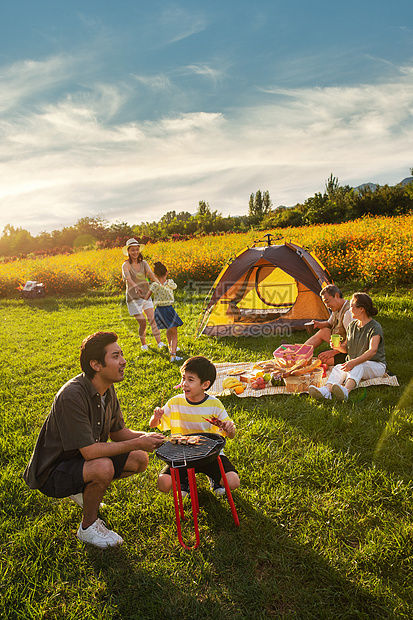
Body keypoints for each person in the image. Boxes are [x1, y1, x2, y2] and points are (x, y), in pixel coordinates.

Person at [23, 331, 165, 548]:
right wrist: (138, 442)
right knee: (102, 467)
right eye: (116, 356)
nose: (123, 361)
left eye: (122, 355)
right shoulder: (72, 395)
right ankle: (88, 528)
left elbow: (118, 433)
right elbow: (90, 452)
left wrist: (155, 438)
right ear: (96, 365)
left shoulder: (107, 388)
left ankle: (84, 489)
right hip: (52, 471)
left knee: (139, 458)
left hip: (80, 460)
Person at [149, 356, 240, 497]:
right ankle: (185, 481)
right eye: (183, 378)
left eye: (190, 380)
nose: (184, 383)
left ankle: (214, 478)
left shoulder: (214, 404)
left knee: (233, 482)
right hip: (181, 455)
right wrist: (157, 417)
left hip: (210, 455)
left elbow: (231, 435)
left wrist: (230, 429)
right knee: (163, 484)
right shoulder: (175, 402)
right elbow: (153, 425)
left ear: (205, 385)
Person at [308, 292, 386, 401]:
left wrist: (354, 362)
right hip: (355, 363)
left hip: (376, 364)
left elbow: (373, 351)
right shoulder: (352, 326)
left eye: (352, 307)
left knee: (359, 366)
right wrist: (338, 347)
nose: (349, 310)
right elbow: (346, 347)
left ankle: (345, 391)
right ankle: (326, 391)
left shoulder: (374, 327)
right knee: (338, 368)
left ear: (361, 309)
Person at [121, 238, 167, 352]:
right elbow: (128, 278)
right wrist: (136, 286)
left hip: (146, 295)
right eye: (133, 250)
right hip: (133, 297)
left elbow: (150, 273)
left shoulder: (144, 263)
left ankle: (160, 343)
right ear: (128, 251)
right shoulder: (125, 265)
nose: (135, 252)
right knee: (143, 322)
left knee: (152, 319)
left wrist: (158, 282)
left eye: (137, 250)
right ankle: (144, 344)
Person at [142, 261, 183, 363]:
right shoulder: (170, 283)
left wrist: (140, 294)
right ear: (167, 272)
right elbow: (175, 287)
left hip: (159, 311)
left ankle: (170, 347)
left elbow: (146, 297)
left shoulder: (154, 285)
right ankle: (173, 356)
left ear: (155, 275)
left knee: (169, 329)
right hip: (169, 310)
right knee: (174, 334)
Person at [304, 284, 352, 365]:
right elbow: (329, 324)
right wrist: (318, 324)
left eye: (328, 301)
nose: (327, 306)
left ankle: (342, 358)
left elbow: (351, 339)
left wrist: (333, 352)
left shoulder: (349, 313)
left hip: (350, 349)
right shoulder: (336, 309)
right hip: (340, 343)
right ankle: (300, 352)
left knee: (322, 360)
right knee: (323, 331)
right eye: (325, 303)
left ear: (337, 296)